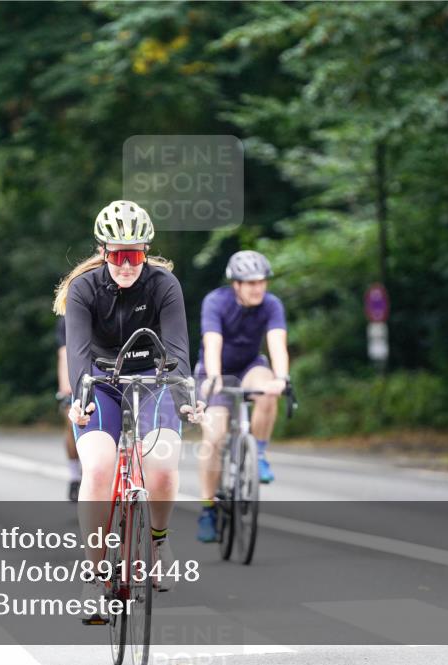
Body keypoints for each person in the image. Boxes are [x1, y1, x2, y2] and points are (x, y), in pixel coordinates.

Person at [53, 200, 204, 623]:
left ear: (145, 252)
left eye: (134, 254)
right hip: (100, 383)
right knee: (99, 468)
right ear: (103, 252)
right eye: (118, 255)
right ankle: (93, 574)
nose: (126, 264)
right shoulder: (84, 289)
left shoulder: (163, 284)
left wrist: (184, 394)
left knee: (161, 463)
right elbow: (78, 357)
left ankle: (157, 541)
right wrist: (80, 403)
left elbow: (176, 349)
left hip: (153, 381)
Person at [195, 250, 290, 543]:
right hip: (216, 372)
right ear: (235, 284)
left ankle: (258, 453)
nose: (258, 288)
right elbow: (212, 344)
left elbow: (277, 344)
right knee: (214, 438)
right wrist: (213, 379)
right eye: (250, 283)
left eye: (261, 282)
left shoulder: (271, 305)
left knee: (268, 390)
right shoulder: (216, 302)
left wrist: (282, 378)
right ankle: (208, 508)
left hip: (249, 366)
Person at [55, 316, 82, 502]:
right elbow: (64, 353)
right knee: (72, 425)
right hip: (76, 376)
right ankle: (74, 476)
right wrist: (66, 387)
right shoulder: (68, 318)